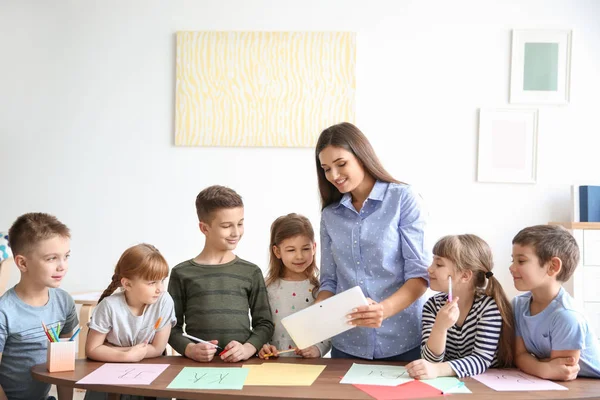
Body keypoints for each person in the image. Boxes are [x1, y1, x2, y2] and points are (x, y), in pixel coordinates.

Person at [315, 122, 431, 361]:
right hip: (347, 344)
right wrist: (313, 321)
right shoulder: (330, 215)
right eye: (326, 169)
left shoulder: (402, 199)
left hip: (402, 340)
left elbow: (419, 276)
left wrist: (383, 310)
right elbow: (329, 281)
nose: (333, 176)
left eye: (341, 164)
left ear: (362, 156)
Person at [168, 185, 274, 363]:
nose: (236, 232)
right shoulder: (182, 273)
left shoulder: (251, 272)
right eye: (226, 226)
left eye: (240, 223)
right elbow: (170, 328)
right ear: (204, 228)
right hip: (197, 367)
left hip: (242, 365)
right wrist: (190, 349)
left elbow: (265, 324)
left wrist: (247, 349)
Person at [406, 234, 514, 379]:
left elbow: (481, 360)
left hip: (485, 382)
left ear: (465, 276)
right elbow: (430, 361)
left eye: (439, 264)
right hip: (452, 381)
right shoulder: (433, 306)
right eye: (433, 262)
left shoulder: (488, 307)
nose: (429, 269)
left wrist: (438, 370)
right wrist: (440, 327)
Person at [0, 213, 78, 400]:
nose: (62, 266)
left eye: (66, 256)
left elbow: (64, 368)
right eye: (51, 258)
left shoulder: (64, 302)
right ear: (22, 263)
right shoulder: (4, 312)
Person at [84, 243, 176, 400]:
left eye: (162, 280)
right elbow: (92, 349)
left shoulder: (164, 301)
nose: (159, 288)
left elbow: (157, 348)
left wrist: (113, 350)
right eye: (152, 282)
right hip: (110, 371)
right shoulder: (109, 306)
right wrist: (127, 356)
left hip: (149, 371)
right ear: (127, 284)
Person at [511, 225, 600, 380]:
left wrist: (538, 364)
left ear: (553, 266)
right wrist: (543, 368)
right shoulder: (518, 306)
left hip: (590, 385)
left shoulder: (567, 316)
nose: (512, 267)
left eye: (521, 261)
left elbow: (563, 371)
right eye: (513, 260)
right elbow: (519, 355)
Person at [258, 213, 331, 359]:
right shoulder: (266, 287)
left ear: (314, 247)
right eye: (291, 250)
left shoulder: (322, 289)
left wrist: (317, 349)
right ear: (277, 251)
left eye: (305, 249)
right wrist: (262, 346)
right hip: (272, 364)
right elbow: (260, 324)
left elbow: (329, 328)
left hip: (309, 366)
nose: (299, 256)